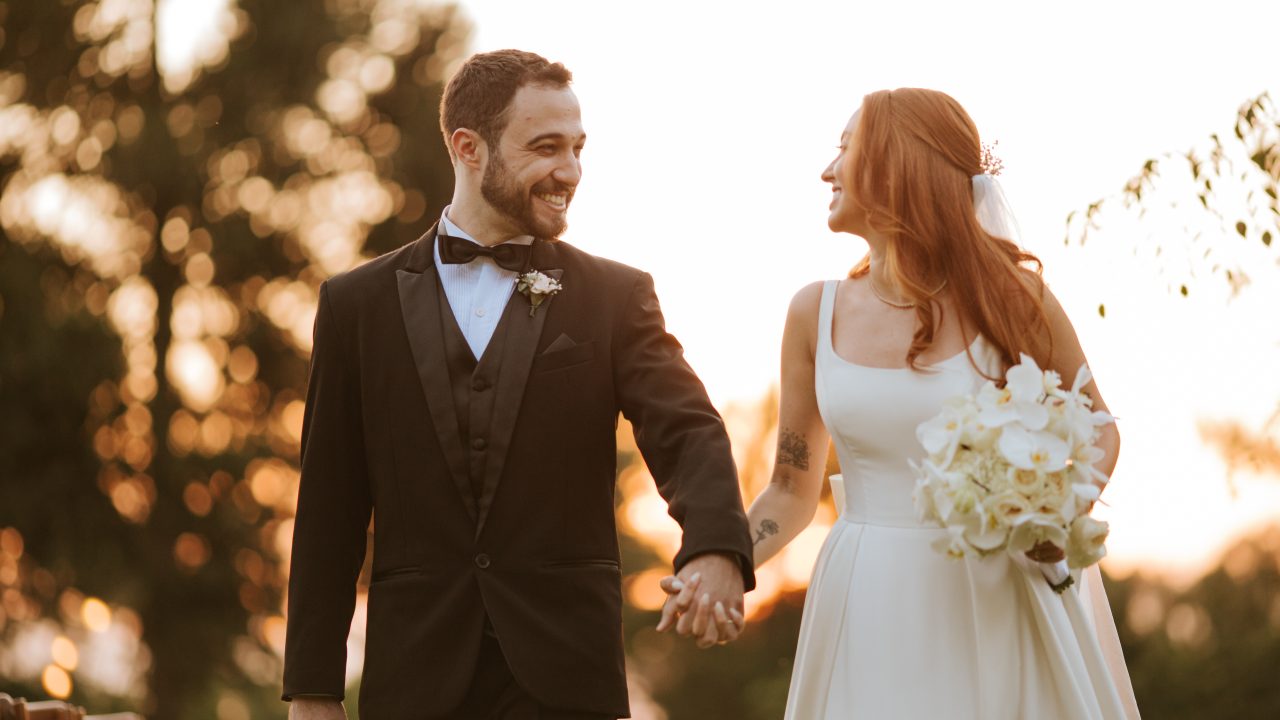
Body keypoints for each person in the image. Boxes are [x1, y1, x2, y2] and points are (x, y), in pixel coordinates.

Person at [282, 49, 754, 720]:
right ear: (468, 148)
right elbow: (328, 505)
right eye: (546, 147)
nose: (571, 171)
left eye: (578, 148)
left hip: (566, 677)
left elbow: (686, 427)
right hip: (414, 680)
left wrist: (714, 547)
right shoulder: (357, 306)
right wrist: (312, 688)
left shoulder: (613, 297)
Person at [660, 88, 1141, 718]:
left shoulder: (1015, 300)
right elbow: (790, 488)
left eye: (844, 149)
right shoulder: (815, 312)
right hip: (868, 595)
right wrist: (721, 562)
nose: (827, 170)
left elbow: (1099, 426)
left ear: (897, 165)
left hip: (998, 590)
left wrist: (1051, 516)